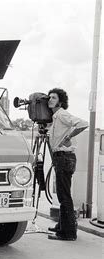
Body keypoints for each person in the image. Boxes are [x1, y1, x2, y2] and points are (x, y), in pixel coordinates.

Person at [47, 88, 88, 241]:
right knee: (63, 194)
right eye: (49, 97)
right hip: (62, 158)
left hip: (64, 157)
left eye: (54, 97)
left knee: (64, 196)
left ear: (61, 101)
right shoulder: (56, 117)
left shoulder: (62, 114)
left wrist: (68, 137)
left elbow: (83, 124)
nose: (50, 99)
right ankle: (61, 226)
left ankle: (68, 233)